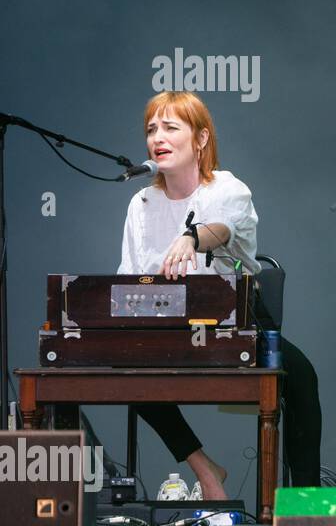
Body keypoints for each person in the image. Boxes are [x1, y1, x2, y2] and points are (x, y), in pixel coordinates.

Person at [118, 91, 322, 498]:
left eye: (171, 127)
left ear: (201, 140)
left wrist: (192, 237)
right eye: (151, 129)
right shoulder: (141, 203)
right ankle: (206, 471)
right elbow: (127, 279)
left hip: (236, 322)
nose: (157, 137)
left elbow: (223, 229)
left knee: (301, 377)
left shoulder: (228, 188)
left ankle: (305, 508)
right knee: (125, 368)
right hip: (167, 329)